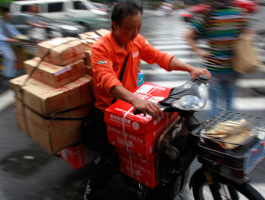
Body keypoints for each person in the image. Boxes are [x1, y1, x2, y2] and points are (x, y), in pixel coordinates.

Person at [83, 1, 211, 200]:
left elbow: (160, 57)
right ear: (115, 25)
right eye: (129, 28)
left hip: (132, 105)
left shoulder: (137, 41)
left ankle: (141, 179)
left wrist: (191, 69)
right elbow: (106, 80)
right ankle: (93, 187)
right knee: (113, 159)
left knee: (150, 149)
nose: (135, 33)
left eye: (139, 27)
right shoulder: (101, 47)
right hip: (108, 110)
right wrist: (135, 99)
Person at [185, 0, 247, 118]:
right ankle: (230, 130)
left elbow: (188, 36)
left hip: (213, 68)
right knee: (230, 102)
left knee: (214, 104)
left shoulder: (208, 16)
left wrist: (199, 51)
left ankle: (214, 132)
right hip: (234, 66)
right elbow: (249, 33)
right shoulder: (239, 14)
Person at [0, 6, 22, 78]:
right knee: (10, 58)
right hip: (0, 43)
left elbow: (14, 32)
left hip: (7, 43)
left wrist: (22, 37)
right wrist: (9, 39)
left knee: (15, 56)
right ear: (4, 13)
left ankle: (11, 72)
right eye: (10, 13)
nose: (11, 15)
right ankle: (7, 75)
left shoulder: (7, 22)